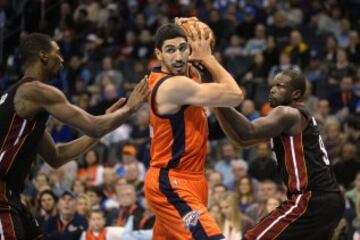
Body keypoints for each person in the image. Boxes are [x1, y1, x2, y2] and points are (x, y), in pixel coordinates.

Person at [0, 33, 148, 239]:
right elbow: (94, 127)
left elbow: (56, 157)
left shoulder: (21, 106)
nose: (61, 58)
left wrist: (106, 123)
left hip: (12, 196)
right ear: (43, 55)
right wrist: (130, 109)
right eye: (57, 53)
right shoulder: (34, 91)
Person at [213, 69, 345, 239]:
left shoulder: (287, 113)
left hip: (311, 198)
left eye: (280, 86)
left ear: (296, 94)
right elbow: (242, 141)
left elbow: (247, 132)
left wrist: (216, 97)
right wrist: (215, 103)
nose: (272, 89)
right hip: (328, 200)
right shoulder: (296, 117)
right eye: (272, 85)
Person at [144, 22, 243, 239]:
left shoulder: (187, 76)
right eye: (170, 50)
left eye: (182, 48)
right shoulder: (173, 86)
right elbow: (235, 95)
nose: (179, 57)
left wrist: (186, 27)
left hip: (193, 179)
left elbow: (196, 71)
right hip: (172, 181)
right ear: (158, 55)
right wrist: (208, 57)